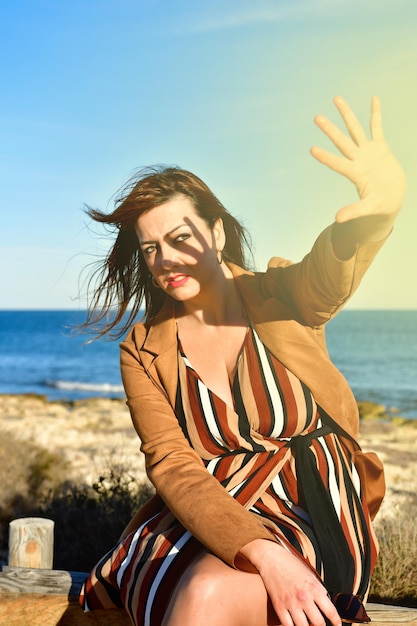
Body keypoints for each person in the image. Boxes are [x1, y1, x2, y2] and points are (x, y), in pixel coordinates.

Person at [79, 97, 406, 626]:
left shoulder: (281, 294)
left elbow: (325, 279)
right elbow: (172, 463)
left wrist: (375, 214)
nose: (165, 260)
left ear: (218, 232)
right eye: (150, 249)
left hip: (312, 506)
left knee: (210, 594)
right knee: (204, 588)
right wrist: (260, 551)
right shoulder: (143, 348)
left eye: (180, 238)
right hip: (208, 515)